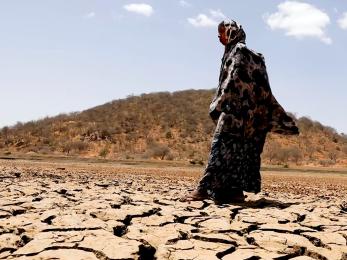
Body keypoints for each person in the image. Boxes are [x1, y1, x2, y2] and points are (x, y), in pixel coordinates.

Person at [186, 20, 299, 203]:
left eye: (221, 32)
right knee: (239, 154)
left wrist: (218, 104)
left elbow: (232, 82)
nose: (219, 36)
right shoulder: (251, 56)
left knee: (220, 151)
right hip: (251, 119)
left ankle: (203, 190)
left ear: (231, 32)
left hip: (234, 115)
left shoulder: (239, 52)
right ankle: (232, 192)